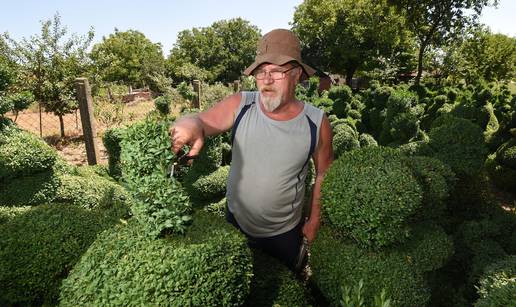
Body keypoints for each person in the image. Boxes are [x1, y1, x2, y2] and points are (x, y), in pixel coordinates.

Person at [170, 29, 333, 271]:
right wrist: (190, 123)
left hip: (285, 233)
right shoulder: (241, 104)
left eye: (277, 71)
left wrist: (314, 220)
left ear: (297, 74)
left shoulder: (317, 123)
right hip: (235, 223)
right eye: (260, 71)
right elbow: (203, 121)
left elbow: (323, 173)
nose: (266, 80)